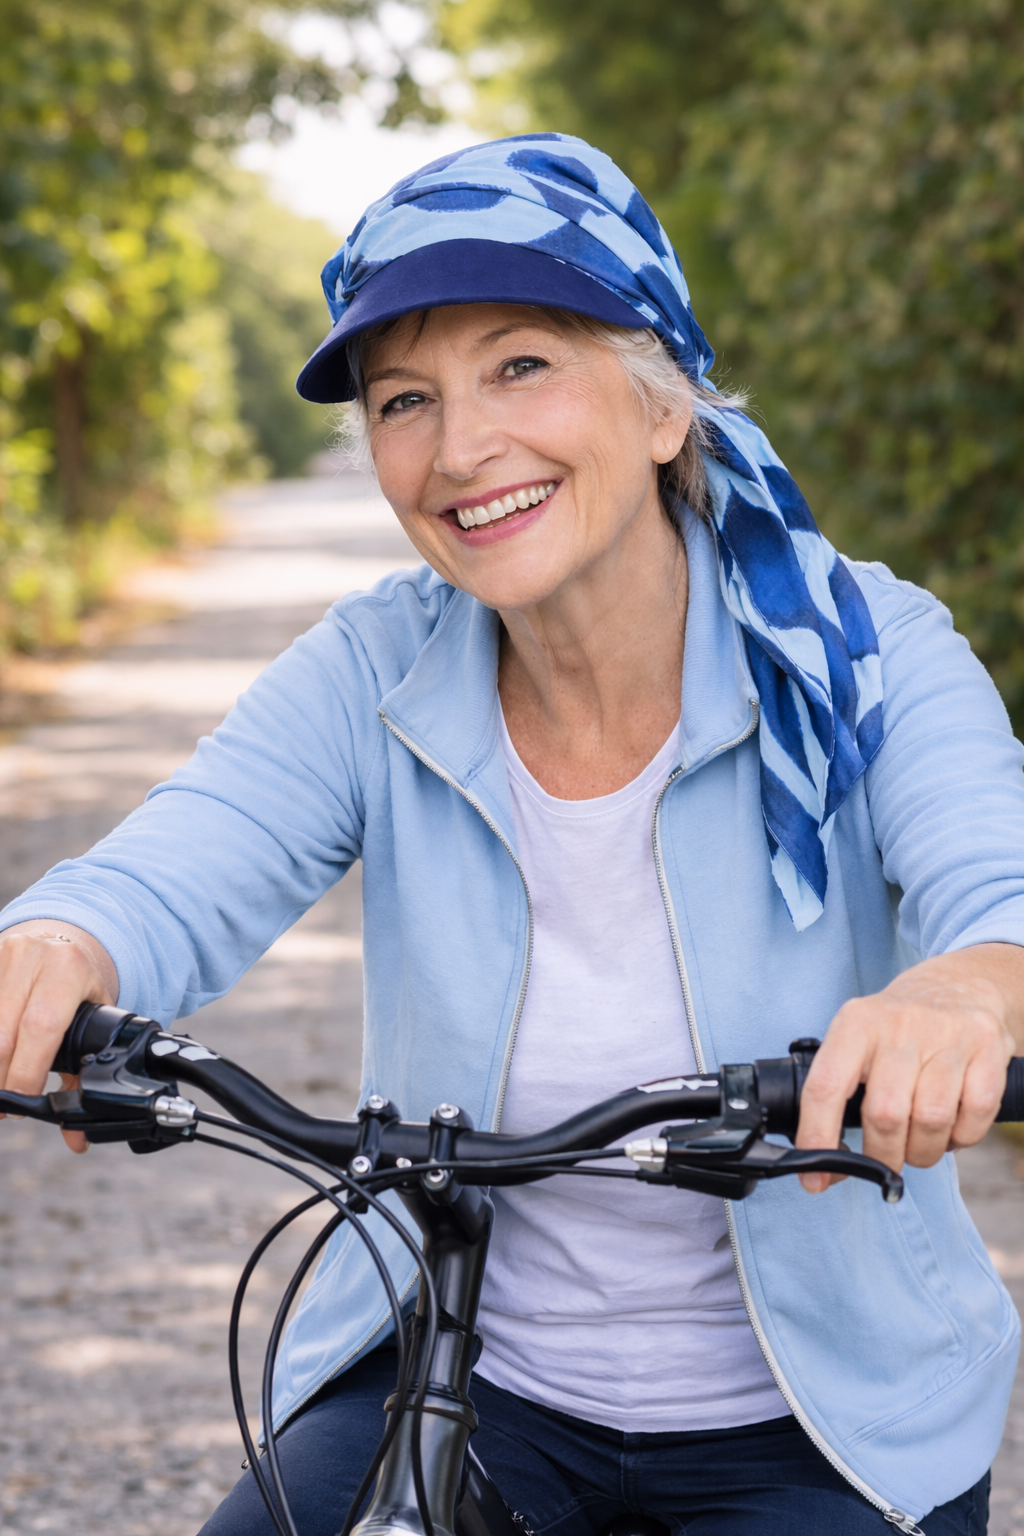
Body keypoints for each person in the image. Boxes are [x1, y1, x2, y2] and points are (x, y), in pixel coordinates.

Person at [0, 135, 1020, 1536]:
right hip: (468, 1376)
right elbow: (177, 859)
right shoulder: (377, 669)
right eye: (405, 400)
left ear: (662, 403)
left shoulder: (864, 650)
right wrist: (61, 943)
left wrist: (965, 990)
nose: (461, 449)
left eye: (522, 365)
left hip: (829, 1428)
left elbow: (997, 878)